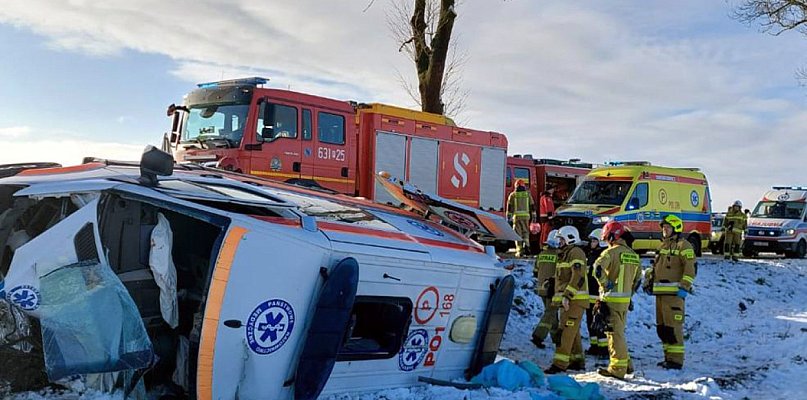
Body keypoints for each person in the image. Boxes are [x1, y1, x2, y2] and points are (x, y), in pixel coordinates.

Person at [643, 214, 696, 370]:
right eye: (663, 228)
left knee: (674, 328)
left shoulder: (683, 246)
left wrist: (684, 287)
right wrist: (649, 280)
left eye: (667, 227)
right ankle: (668, 357)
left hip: (674, 295)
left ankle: (676, 361)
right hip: (660, 294)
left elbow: (690, 268)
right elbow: (656, 267)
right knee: (663, 328)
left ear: (676, 229)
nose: (664, 230)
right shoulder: (662, 246)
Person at [593, 221, 641, 379]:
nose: (607, 242)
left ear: (613, 236)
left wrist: (606, 284)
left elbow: (597, 269)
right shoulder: (633, 255)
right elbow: (637, 280)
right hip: (625, 302)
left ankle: (617, 369)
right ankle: (627, 365)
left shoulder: (611, 253)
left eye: (607, 238)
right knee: (619, 333)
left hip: (611, 301)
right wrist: (629, 294)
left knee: (614, 335)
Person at [545, 226, 589, 374]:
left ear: (570, 238)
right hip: (568, 301)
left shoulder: (575, 252)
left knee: (565, 332)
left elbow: (578, 277)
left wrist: (567, 296)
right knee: (573, 332)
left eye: (562, 239)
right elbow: (564, 277)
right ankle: (577, 361)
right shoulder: (565, 254)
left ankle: (559, 364)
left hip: (574, 301)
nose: (559, 242)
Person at [532, 229, 561, 349]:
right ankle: (538, 336)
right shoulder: (558, 256)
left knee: (552, 315)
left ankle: (557, 339)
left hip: (541, 289)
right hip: (552, 290)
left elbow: (535, 271)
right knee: (550, 313)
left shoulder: (541, 255)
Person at [584, 229, 608, 358]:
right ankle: (594, 346)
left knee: (599, 324)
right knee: (590, 323)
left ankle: (603, 349)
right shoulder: (591, 255)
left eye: (594, 241)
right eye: (591, 241)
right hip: (589, 295)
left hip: (598, 296)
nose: (591, 243)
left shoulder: (603, 257)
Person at [507, 180, 536, 257]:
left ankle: (520, 251)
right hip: (526, 217)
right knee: (526, 232)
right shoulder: (527, 194)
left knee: (517, 233)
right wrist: (534, 216)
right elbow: (532, 206)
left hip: (516, 217)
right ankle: (527, 246)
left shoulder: (513, 195)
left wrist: (508, 217)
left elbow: (509, 208)